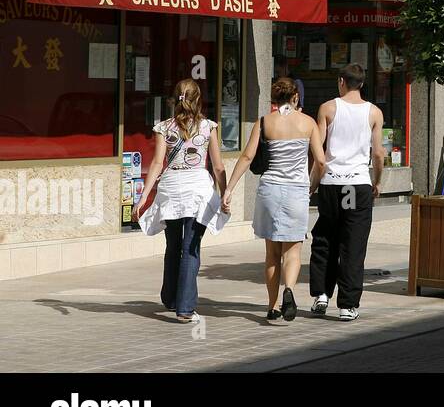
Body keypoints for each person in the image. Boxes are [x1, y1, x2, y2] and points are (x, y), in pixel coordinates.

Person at [222, 77, 326, 322]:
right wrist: (313, 184)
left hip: (269, 189)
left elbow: (247, 156)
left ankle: (272, 305)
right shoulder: (309, 123)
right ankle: (289, 288)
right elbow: (321, 161)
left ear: (273, 99)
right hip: (296, 191)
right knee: (293, 251)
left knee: (271, 253)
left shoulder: (264, 122)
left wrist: (229, 188)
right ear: (296, 97)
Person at [135, 79, 228, 323]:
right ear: (198, 100)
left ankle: (171, 297)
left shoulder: (163, 127)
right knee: (191, 248)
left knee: (173, 246)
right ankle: (185, 308)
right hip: (197, 191)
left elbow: (157, 163)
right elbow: (218, 166)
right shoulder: (208, 126)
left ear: (174, 99)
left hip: (170, 190)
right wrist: (225, 192)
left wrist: (144, 196)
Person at [309, 63, 385, 321]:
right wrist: (377, 180)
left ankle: (321, 294)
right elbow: (378, 153)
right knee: (353, 244)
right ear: (362, 84)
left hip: (331, 182)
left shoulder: (328, 108)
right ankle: (348, 305)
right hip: (358, 183)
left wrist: (313, 183)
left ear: (341, 81)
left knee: (324, 239)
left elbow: (318, 150)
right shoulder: (374, 112)